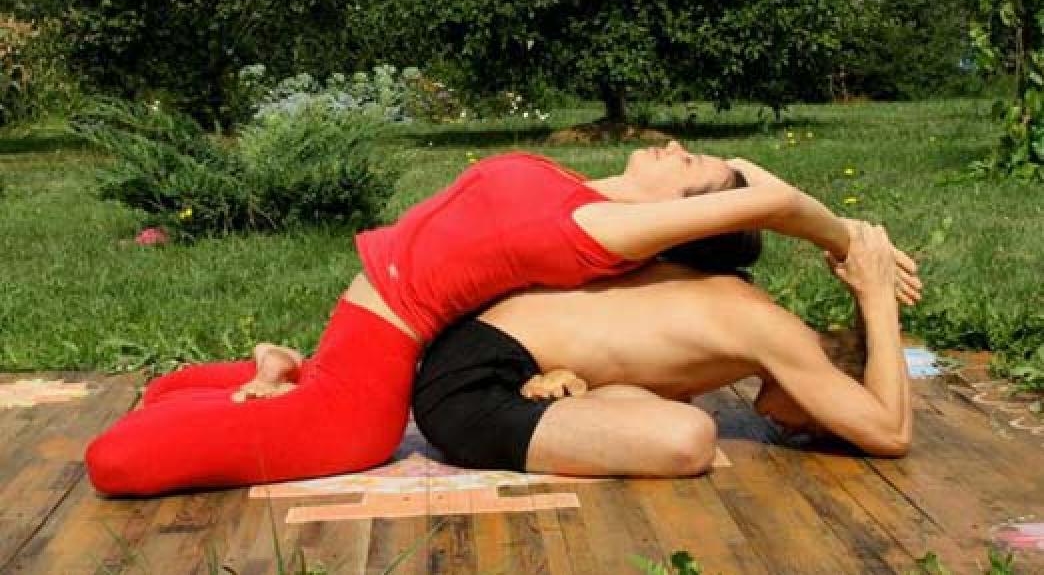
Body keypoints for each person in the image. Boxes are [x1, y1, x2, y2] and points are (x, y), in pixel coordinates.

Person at [85, 142, 920, 495]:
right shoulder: (605, 223)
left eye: (693, 161)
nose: (675, 146)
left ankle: (268, 378)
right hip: (421, 386)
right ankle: (283, 385)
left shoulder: (610, 226)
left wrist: (855, 263)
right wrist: (868, 278)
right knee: (689, 437)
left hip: (406, 352)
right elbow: (887, 430)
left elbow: (753, 195)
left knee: (678, 419)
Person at [413, 221, 915, 476]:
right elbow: (890, 432)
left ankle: (555, 395)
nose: (794, 430)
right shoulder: (774, 331)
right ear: (836, 381)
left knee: (661, 410)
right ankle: (553, 398)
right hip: (469, 392)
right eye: (818, 425)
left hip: (480, 364)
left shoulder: (740, 304)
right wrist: (877, 298)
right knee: (689, 435)